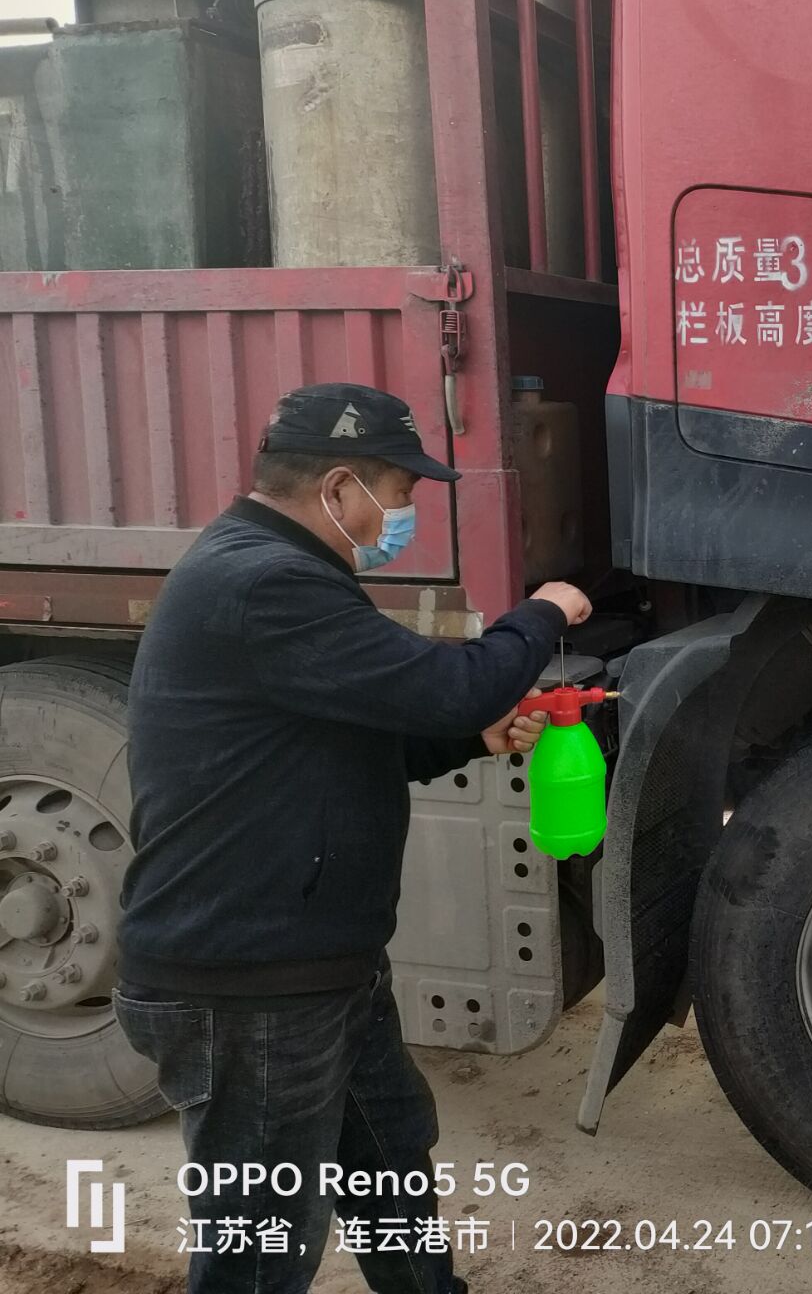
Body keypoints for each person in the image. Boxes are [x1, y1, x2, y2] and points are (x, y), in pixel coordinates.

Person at [115, 383, 593, 1294]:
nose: (401, 518)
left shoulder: (279, 572)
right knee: (261, 1255)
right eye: (399, 495)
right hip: (249, 987)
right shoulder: (264, 582)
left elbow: (342, 745)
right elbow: (453, 685)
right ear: (340, 488)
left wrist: (471, 739)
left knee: (391, 1171)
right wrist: (543, 613)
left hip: (322, 968)